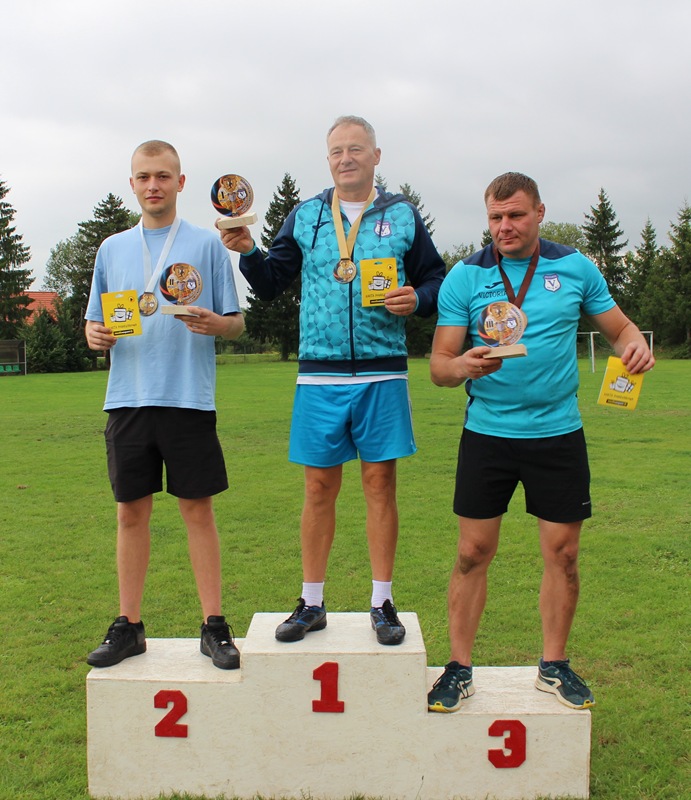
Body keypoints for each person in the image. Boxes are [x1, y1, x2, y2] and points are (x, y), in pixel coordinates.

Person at [427, 172, 654, 711]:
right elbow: (439, 366)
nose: (504, 226)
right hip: (488, 436)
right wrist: (461, 366)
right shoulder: (466, 275)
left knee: (564, 554)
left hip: (557, 435)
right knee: (471, 553)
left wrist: (635, 345)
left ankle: (554, 666)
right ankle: (458, 668)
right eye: (495, 217)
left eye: (515, 215)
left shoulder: (574, 266)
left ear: (539, 213)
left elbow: (621, 328)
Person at [219, 115, 445, 645]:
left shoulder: (402, 214)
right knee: (319, 488)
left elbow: (435, 277)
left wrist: (418, 298)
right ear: (327, 160)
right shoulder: (307, 215)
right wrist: (248, 251)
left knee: (380, 485)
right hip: (319, 375)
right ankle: (312, 602)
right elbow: (270, 283)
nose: (346, 158)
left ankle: (382, 602)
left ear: (376, 156)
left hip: (383, 371)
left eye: (356, 149)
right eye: (337, 151)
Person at [84, 140, 245, 670]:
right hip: (127, 399)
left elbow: (236, 322)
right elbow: (93, 324)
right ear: (132, 184)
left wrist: (216, 324)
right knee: (131, 512)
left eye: (163, 175)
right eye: (143, 176)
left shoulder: (206, 245)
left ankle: (214, 626)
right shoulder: (111, 249)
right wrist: (94, 336)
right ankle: (129, 627)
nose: (153, 185)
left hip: (187, 399)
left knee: (197, 510)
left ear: (181, 182)